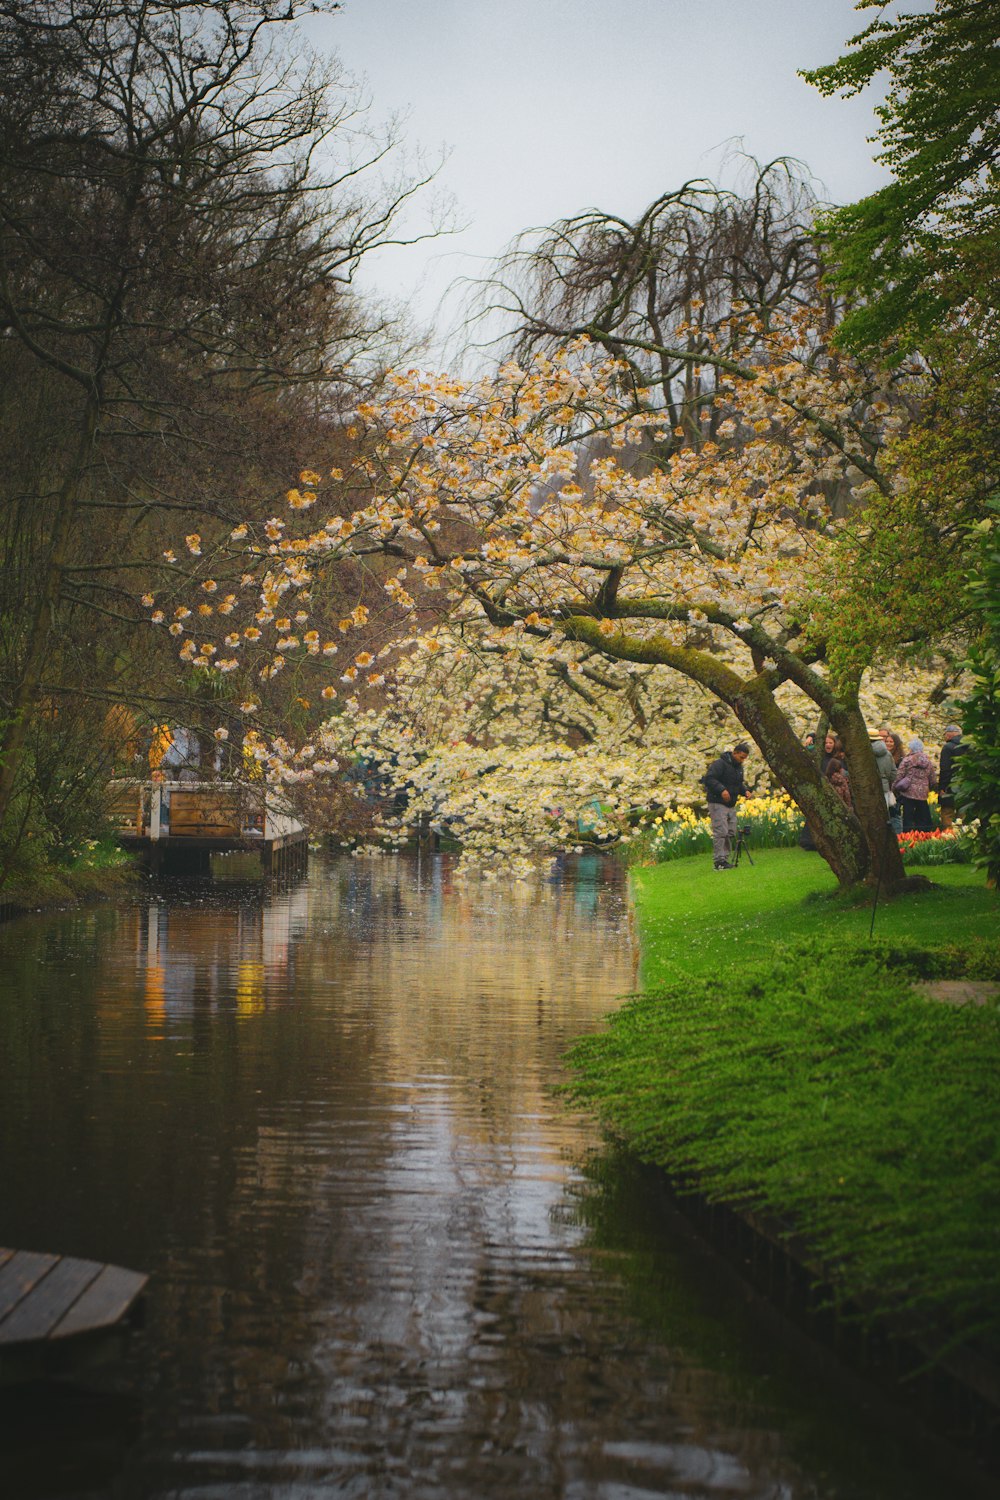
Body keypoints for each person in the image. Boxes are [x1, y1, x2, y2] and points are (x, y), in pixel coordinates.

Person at [704, 741, 750, 871]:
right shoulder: (720, 764)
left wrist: (744, 790)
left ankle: (725, 858)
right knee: (721, 831)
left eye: (745, 759)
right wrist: (722, 790)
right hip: (717, 802)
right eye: (741, 757)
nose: (742, 761)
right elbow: (709, 779)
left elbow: (738, 783)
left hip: (731, 804)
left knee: (730, 832)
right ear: (734, 753)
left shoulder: (739, 768)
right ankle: (719, 861)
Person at [893, 737, 937, 832]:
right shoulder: (928, 761)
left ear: (911, 748)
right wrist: (931, 788)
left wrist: (894, 788)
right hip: (923, 794)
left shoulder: (907, 760)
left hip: (908, 793)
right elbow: (933, 778)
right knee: (922, 817)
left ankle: (908, 836)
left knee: (908, 817)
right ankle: (923, 836)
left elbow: (899, 775)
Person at [938, 724, 965, 829]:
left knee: (947, 812)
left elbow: (945, 769)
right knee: (962, 813)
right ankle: (963, 836)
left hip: (950, 785)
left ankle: (948, 837)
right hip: (965, 785)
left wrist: (942, 788)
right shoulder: (968, 746)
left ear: (949, 735)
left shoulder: (948, 747)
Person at [871, 731, 900, 831]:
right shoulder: (887, 753)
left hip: (868, 788)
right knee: (885, 815)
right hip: (884, 788)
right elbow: (893, 773)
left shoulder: (864, 752)